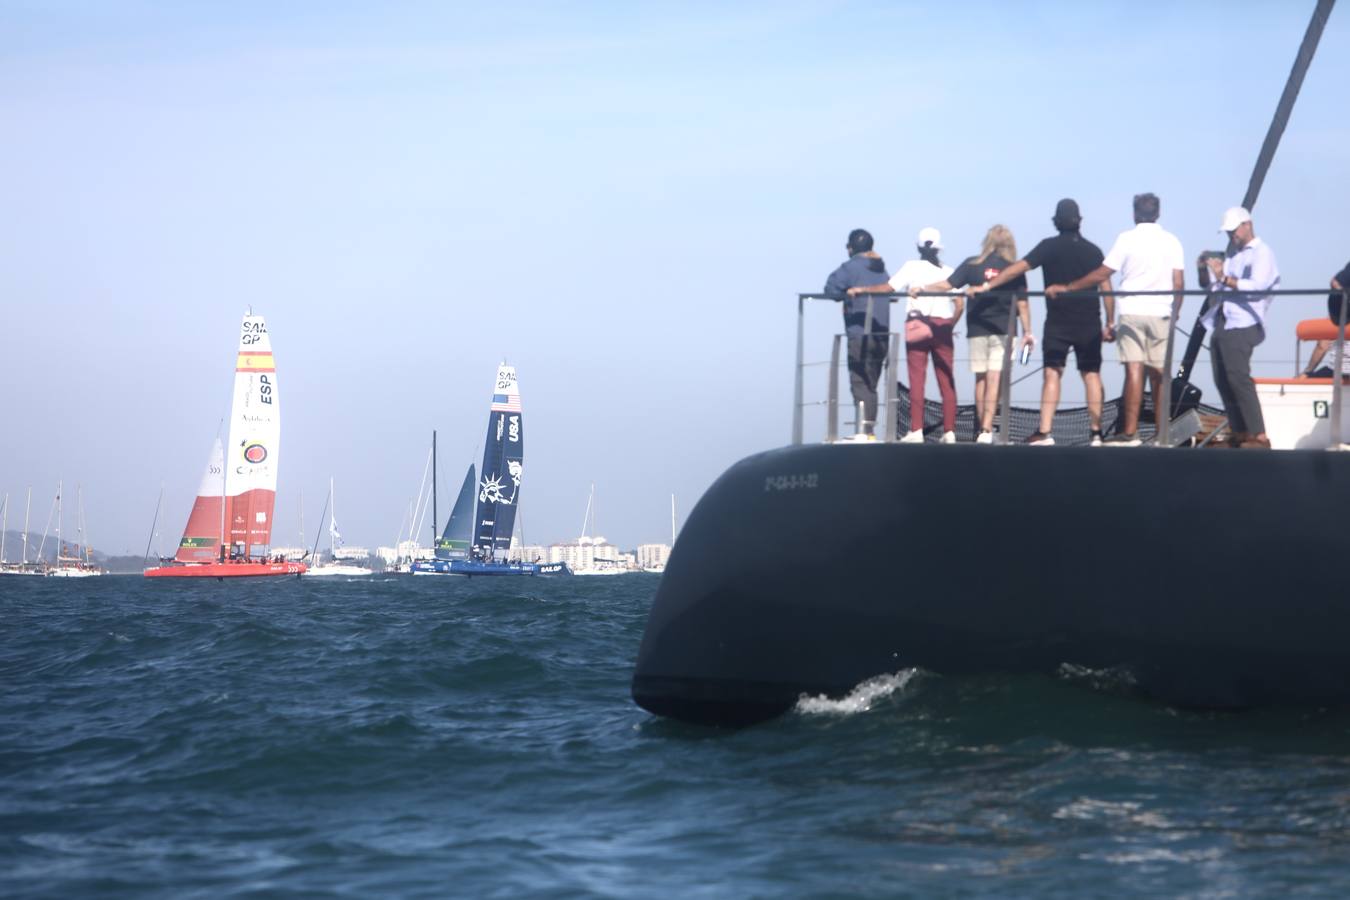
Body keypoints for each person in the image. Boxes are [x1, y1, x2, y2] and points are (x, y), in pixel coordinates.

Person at [1047, 193, 1184, 446]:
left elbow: (1103, 273)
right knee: (1159, 374)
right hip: (1162, 313)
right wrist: (1174, 313)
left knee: (1134, 369)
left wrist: (1069, 287)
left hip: (1132, 311)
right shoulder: (1172, 241)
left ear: (1135, 213)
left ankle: (1130, 433)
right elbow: (1178, 284)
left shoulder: (1126, 239)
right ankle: (1162, 434)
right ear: (1158, 213)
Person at [971, 199, 1112, 446]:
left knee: (1052, 373)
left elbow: (1018, 268)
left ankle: (1045, 432)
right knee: (1091, 374)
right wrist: (1111, 321)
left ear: (1056, 221)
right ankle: (1096, 432)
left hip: (1058, 321)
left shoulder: (1048, 247)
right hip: (1089, 320)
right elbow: (1106, 287)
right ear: (1080, 221)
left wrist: (988, 286)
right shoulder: (1094, 251)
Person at [911, 225, 1030, 443]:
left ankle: (980, 428)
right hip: (1005, 329)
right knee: (995, 378)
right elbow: (1022, 303)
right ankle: (986, 429)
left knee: (981, 379)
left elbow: (948, 285)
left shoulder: (972, 264)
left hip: (976, 329)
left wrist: (922, 287)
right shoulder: (1014, 268)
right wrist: (1028, 332)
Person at [850, 227, 960, 443]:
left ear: (918, 246)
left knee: (917, 378)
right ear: (939, 248)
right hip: (943, 327)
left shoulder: (912, 267)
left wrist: (862, 290)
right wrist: (949, 325)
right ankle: (950, 431)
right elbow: (959, 304)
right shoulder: (949, 272)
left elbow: (888, 287)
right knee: (946, 380)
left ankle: (917, 430)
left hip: (917, 326)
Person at [1203, 207, 1279, 449]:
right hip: (1225, 319)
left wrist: (1224, 278)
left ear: (1247, 224)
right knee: (1222, 378)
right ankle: (1240, 431)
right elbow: (1217, 290)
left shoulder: (1262, 253)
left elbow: (1257, 286)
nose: (1231, 236)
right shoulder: (1234, 256)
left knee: (1238, 377)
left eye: (1233, 230)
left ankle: (1258, 434)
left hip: (1245, 322)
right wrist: (1209, 273)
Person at [824, 228, 891, 440]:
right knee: (871, 383)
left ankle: (864, 431)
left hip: (860, 333)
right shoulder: (881, 268)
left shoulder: (851, 267)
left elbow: (830, 288)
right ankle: (868, 430)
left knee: (860, 381)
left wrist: (845, 294)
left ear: (851, 248)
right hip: (882, 333)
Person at [1299, 262, 1350, 378]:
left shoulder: (1339, 315)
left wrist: (1307, 371)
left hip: (1342, 373)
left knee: (1307, 380)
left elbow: (1323, 345)